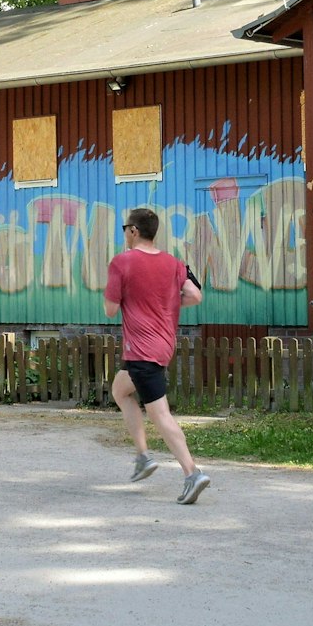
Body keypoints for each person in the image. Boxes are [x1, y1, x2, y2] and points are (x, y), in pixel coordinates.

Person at [104, 207, 211, 505]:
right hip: (162, 345)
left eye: (125, 228)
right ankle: (143, 455)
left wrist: (132, 299)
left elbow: (110, 310)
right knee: (120, 389)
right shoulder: (174, 263)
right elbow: (195, 295)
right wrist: (163, 303)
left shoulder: (122, 262)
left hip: (142, 349)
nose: (124, 233)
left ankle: (192, 473)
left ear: (134, 231)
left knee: (159, 414)